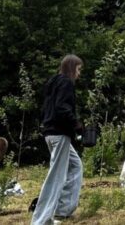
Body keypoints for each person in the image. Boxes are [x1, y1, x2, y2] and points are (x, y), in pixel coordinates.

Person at [32, 54, 85, 225]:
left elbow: (49, 108)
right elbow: (62, 108)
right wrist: (76, 125)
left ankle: (62, 210)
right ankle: (41, 220)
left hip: (51, 132)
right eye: (78, 69)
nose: (79, 74)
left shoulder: (53, 82)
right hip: (59, 133)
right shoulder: (66, 83)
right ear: (71, 68)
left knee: (76, 165)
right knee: (56, 177)